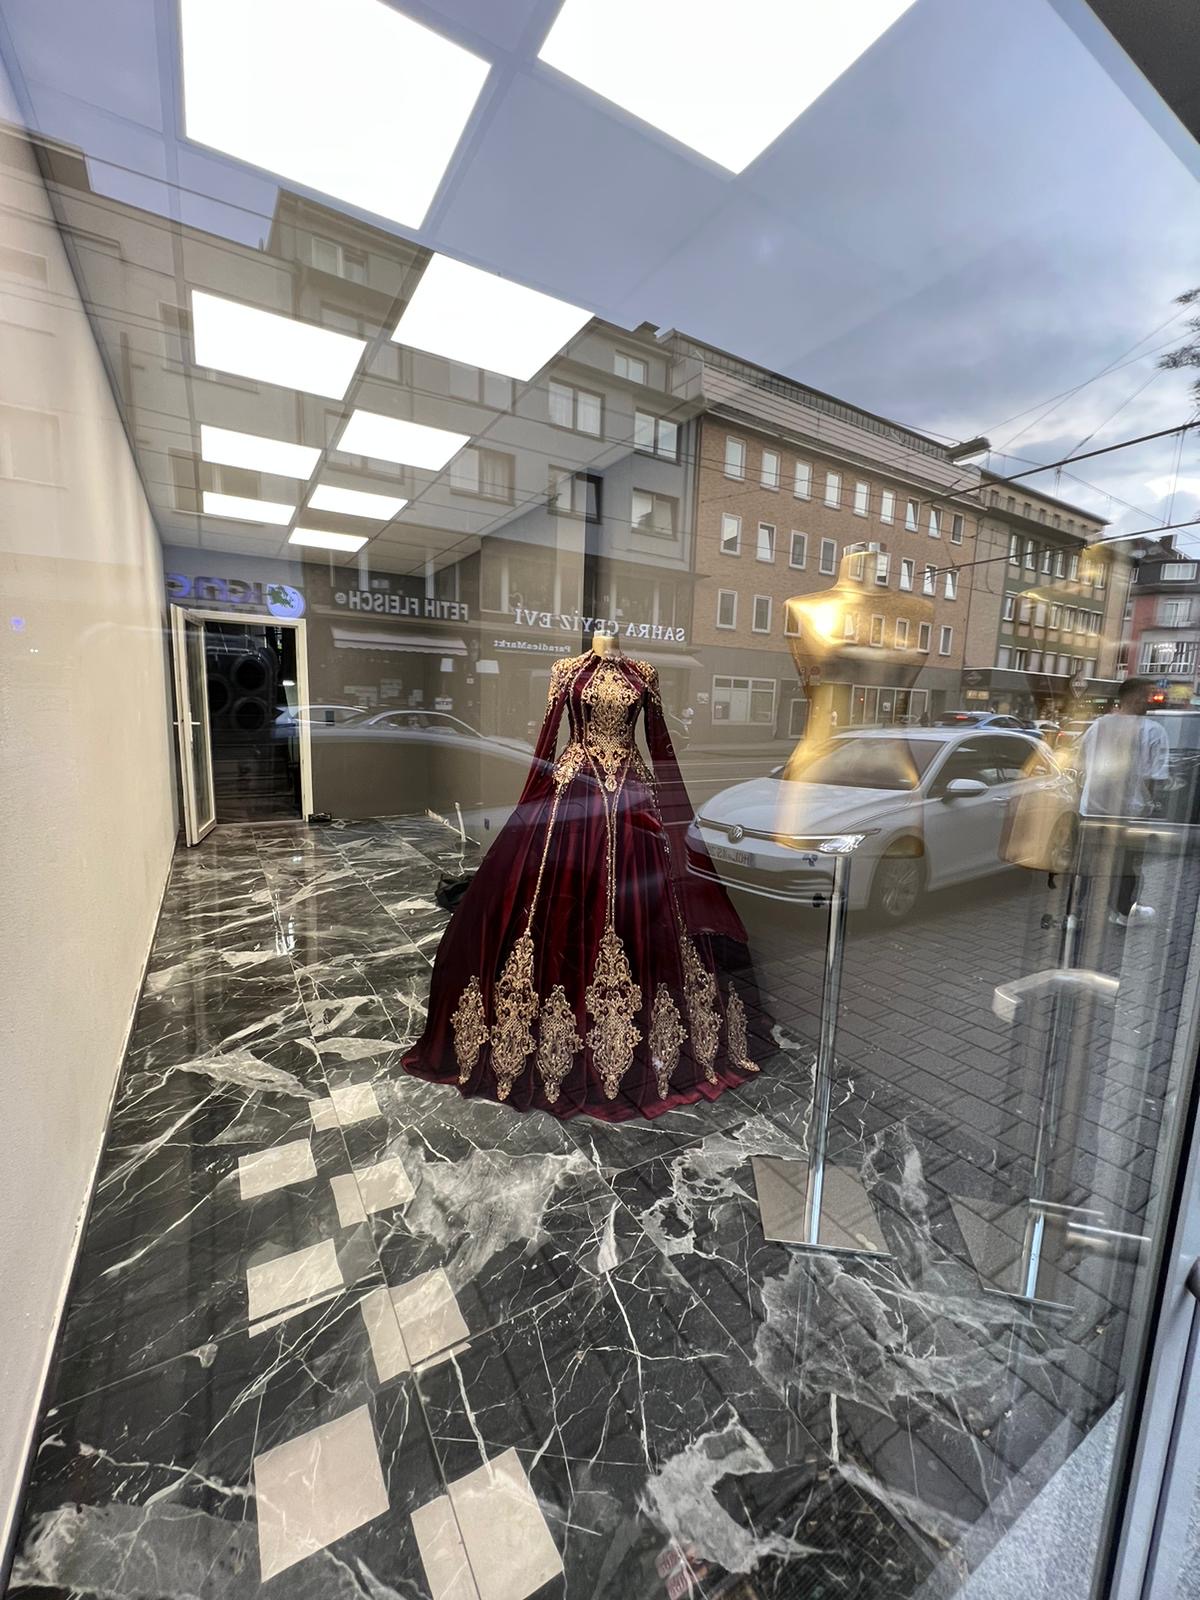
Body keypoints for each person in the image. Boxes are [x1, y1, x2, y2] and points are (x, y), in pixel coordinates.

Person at [1077, 677, 1169, 926]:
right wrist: (1151, 804)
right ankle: (1122, 911)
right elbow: (1155, 777)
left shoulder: (1097, 726)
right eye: (1149, 695)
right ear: (1136, 698)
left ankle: (1074, 914)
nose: (1153, 700)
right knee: (1127, 864)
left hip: (1092, 809)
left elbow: (1082, 762)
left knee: (1086, 864)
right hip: (1129, 813)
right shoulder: (1152, 730)